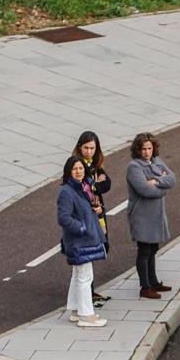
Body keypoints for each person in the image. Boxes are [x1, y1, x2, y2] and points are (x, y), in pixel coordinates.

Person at [56, 156, 108, 328]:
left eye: (80, 168)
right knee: (85, 277)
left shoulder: (83, 187)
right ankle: (86, 315)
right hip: (79, 241)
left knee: (78, 275)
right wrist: (82, 228)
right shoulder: (67, 191)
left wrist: (97, 209)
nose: (78, 171)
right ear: (68, 172)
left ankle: (76, 310)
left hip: (83, 239)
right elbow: (63, 218)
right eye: (75, 169)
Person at [126, 132, 176, 300]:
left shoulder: (157, 161)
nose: (147, 152)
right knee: (145, 250)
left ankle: (154, 282)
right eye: (143, 149)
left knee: (153, 248)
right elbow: (144, 190)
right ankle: (145, 287)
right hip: (142, 215)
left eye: (149, 148)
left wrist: (156, 181)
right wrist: (163, 185)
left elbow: (173, 179)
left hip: (156, 215)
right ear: (137, 150)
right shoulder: (134, 167)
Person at [73, 131, 112, 308]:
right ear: (80, 147)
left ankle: (89, 289)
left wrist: (96, 185)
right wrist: (96, 184)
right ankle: (85, 294)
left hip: (98, 213)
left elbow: (107, 183)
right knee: (87, 252)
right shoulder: (77, 166)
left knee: (99, 247)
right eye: (86, 148)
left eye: (92, 148)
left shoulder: (94, 165)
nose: (89, 151)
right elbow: (84, 188)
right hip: (86, 215)